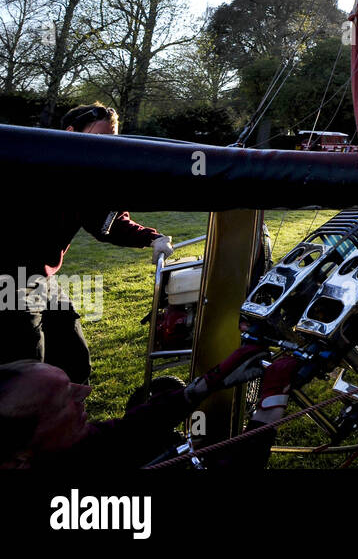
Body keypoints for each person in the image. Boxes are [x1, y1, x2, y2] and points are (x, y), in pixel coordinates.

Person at [0, 103, 173, 383]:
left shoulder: (86, 176)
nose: (105, 146)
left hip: (42, 277)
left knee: (74, 361)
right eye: (98, 137)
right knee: (26, 369)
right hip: (9, 277)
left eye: (111, 139)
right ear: (70, 132)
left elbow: (106, 223)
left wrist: (152, 237)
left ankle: (72, 419)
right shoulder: (31, 162)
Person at [0, 345, 298, 468]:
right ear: (19, 458)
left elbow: (123, 431)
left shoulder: (55, 450)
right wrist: (272, 402)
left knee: (169, 396)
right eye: (64, 398)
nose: (86, 391)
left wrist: (204, 385)